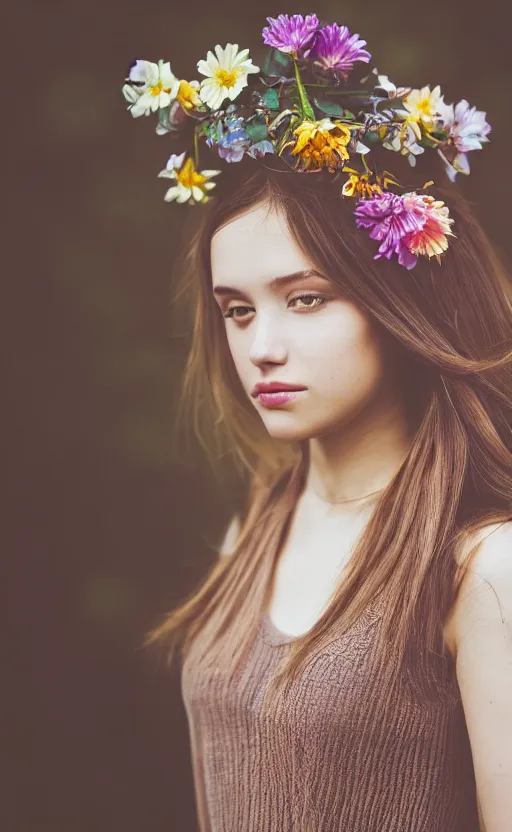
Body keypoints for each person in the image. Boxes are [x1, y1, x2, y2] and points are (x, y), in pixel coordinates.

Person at [124, 14, 512, 831]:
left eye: (305, 299)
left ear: (399, 305)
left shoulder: (483, 566)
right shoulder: (255, 529)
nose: (261, 346)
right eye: (236, 310)